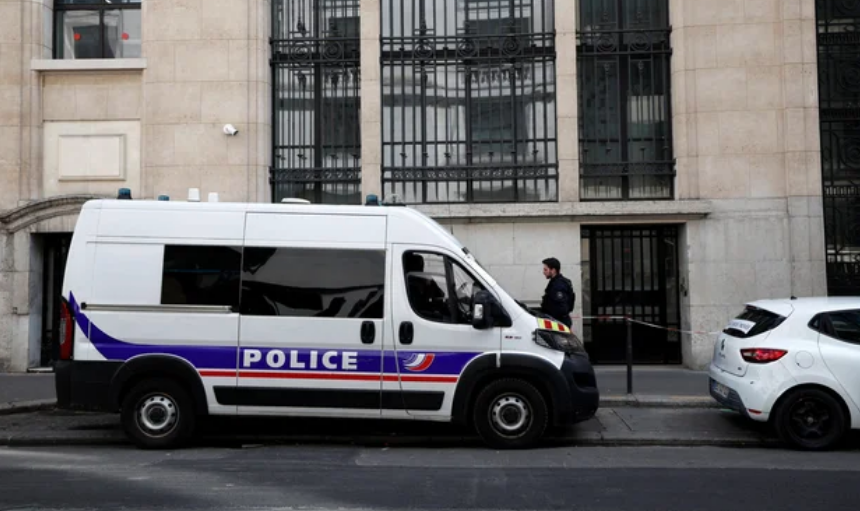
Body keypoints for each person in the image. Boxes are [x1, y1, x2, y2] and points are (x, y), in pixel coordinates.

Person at [540, 257, 575, 327]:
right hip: (556, 322)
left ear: (553, 270)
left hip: (558, 323)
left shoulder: (558, 285)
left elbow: (561, 309)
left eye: (545, 269)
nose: (543, 272)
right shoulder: (555, 283)